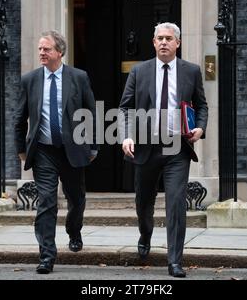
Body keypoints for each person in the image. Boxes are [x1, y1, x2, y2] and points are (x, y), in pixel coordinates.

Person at [118, 23, 208, 278]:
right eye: (160, 38)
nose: (164, 42)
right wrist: (126, 136)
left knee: (176, 203)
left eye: (169, 38)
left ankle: (175, 260)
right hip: (145, 148)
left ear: (177, 43)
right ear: (153, 42)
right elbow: (125, 108)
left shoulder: (191, 71)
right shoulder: (139, 71)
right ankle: (145, 233)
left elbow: (201, 105)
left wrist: (200, 128)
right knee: (143, 202)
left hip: (177, 148)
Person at [14, 31, 98, 274]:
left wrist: (93, 146)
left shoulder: (78, 77)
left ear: (59, 52)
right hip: (43, 152)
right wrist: (21, 149)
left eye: (46, 49)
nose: (41, 52)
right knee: (46, 202)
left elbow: (90, 113)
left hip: (72, 150)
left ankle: (74, 230)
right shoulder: (30, 80)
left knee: (76, 199)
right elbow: (20, 118)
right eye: (40, 49)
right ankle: (47, 255)